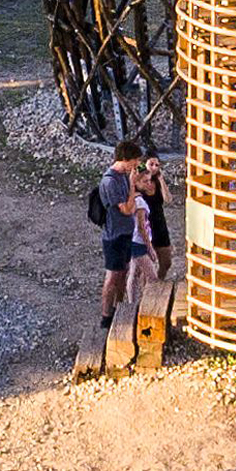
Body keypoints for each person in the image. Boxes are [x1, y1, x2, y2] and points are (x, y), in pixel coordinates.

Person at [78, 137, 173, 378]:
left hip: (125, 234)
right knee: (112, 278)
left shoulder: (125, 173)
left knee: (123, 277)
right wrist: (132, 185)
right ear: (126, 160)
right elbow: (128, 209)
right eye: (135, 162)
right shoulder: (111, 181)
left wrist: (151, 172)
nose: (137, 166)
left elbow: (146, 175)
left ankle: (121, 313)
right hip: (115, 236)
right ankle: (106, 317)